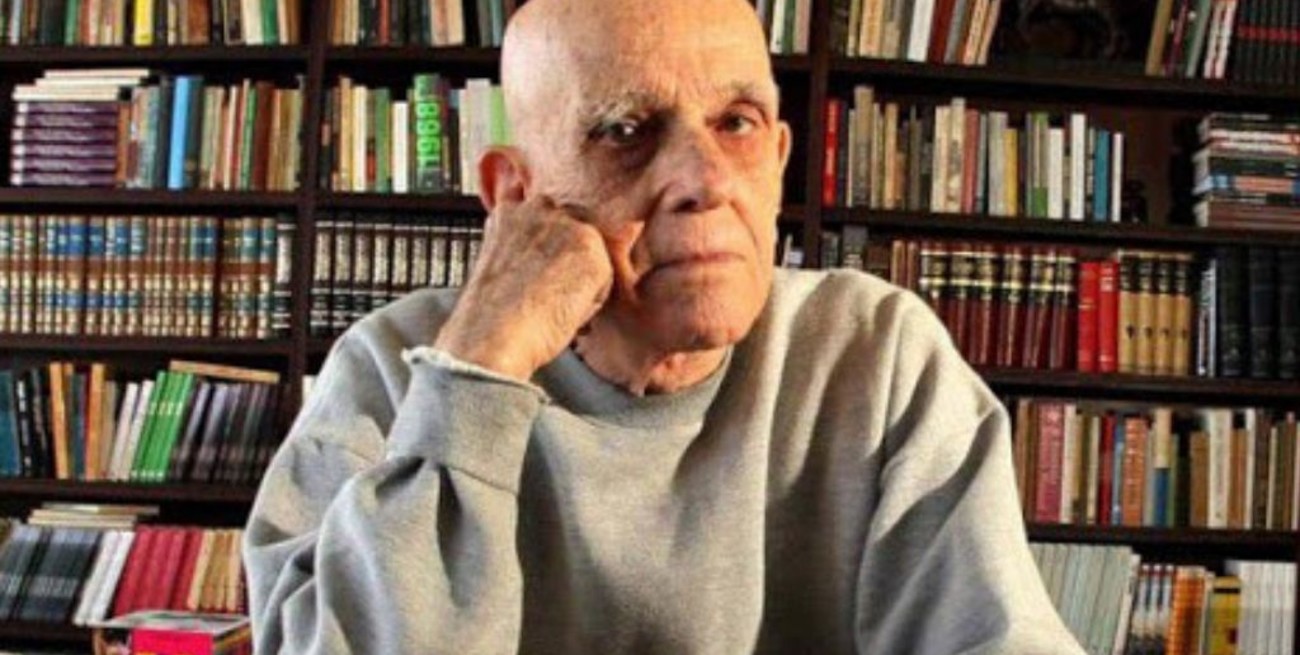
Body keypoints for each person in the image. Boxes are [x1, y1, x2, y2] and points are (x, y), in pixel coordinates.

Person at [243, 0, 1086, 652]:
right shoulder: (390, 369)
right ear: (515, 195)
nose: (706, 180)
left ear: (780, 160)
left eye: (736, 124)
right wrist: (477, 375)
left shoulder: (876, 351)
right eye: (625, 131)